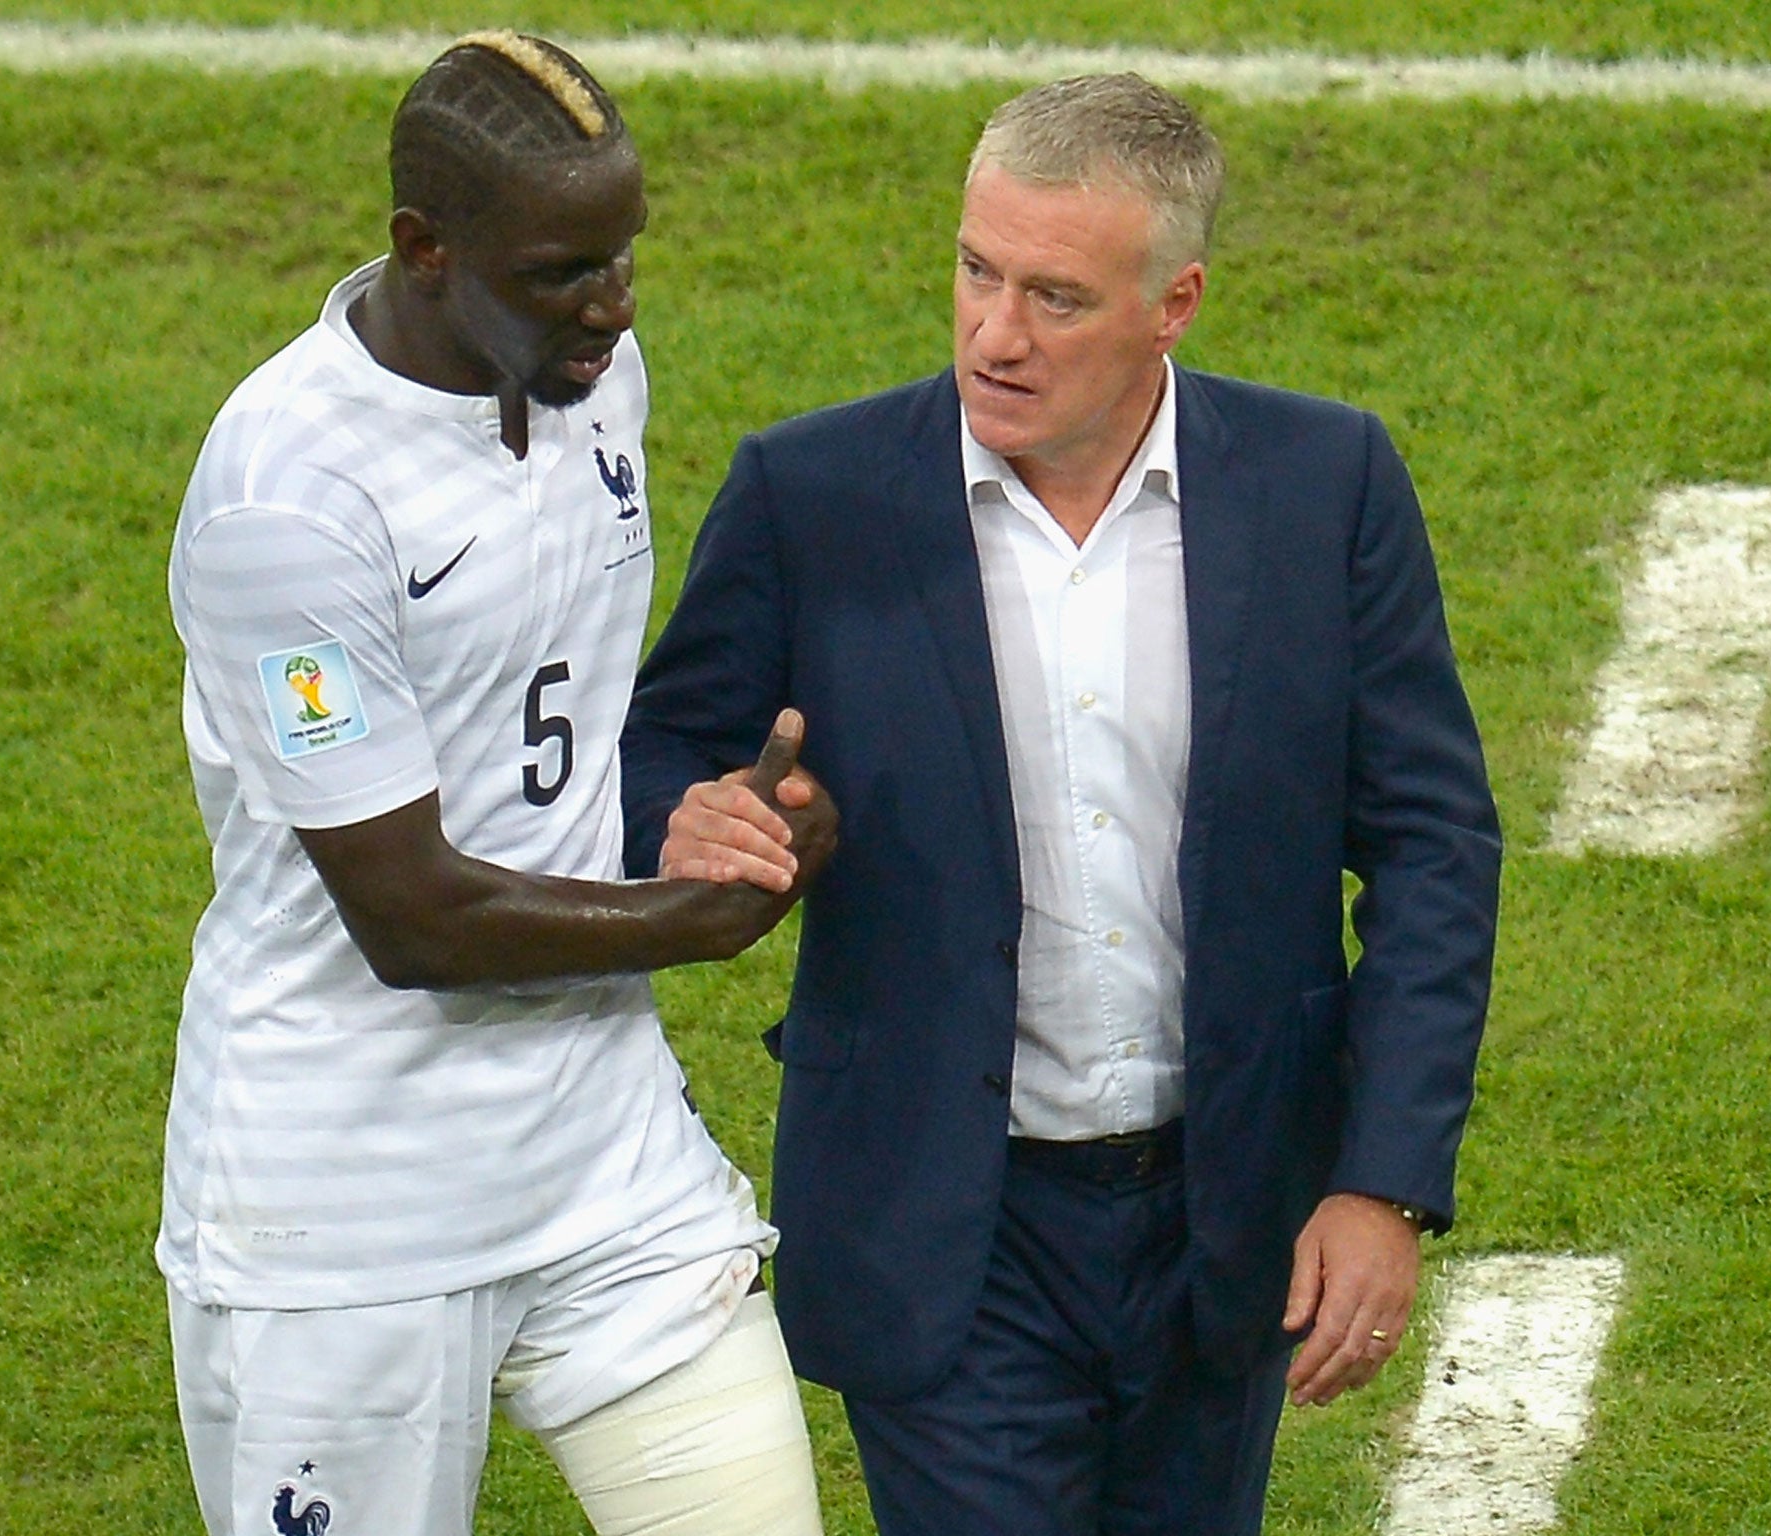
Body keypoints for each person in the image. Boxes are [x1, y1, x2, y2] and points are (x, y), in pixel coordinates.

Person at [621, 73, 1502, 1536]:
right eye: (975, 271)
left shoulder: (1325, 486)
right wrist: (696, 815)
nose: (995, 333)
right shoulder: (813, 494)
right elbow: (659, 749)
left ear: (1177, 303)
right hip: (947, 1226)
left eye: (1055, 297)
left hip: (1225, 1215)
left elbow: (1430, 844)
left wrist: (1385, 1182)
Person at [158, 33, 833, 1536]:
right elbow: (415, 919)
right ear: (424, 249)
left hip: (604, 1159)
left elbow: (559, 724)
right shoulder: (292, 501)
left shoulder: (596, 381)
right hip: (349, 1221)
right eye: (561, 273)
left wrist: (722, 812)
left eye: (625, 256)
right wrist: (690, 913)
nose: (614, 305)